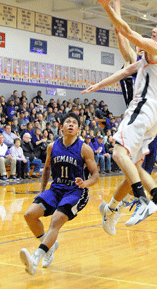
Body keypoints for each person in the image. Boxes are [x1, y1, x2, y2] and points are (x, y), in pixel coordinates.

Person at [83, 0, 157, 235]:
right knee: (134, 167)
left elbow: (125, 30)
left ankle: (142, 201)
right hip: (148, 115)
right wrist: (97, 85)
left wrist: (106, 5)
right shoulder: (141, 61)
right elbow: (124, 65)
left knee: (117, 154)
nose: (153, 30)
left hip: (141, 110)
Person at [20, 112, 99, 275]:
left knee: (56, 220)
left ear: (78, 129)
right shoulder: (52, 146)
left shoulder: (84, 148)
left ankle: (35, 259)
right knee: (29, 214)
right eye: (67, 122)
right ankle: (49, 247)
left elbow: (96, 175)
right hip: (56, 189)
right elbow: (47, 168)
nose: (71, 124)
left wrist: (86, 183)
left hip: (75, 191)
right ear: (61, 127)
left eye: (74, 123)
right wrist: (42, 190)